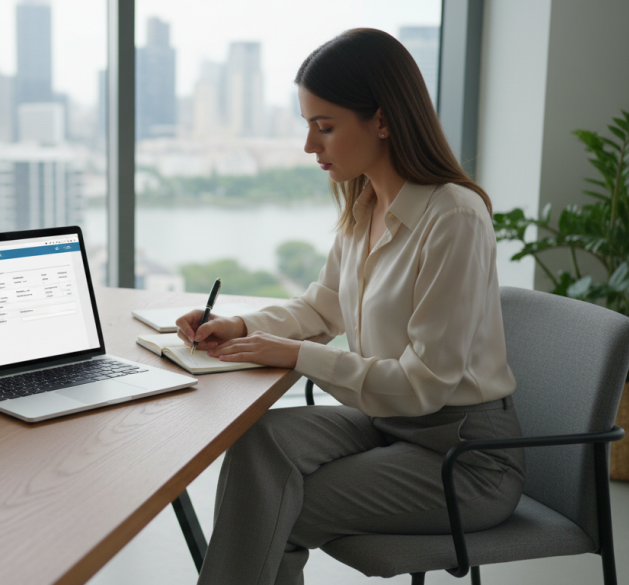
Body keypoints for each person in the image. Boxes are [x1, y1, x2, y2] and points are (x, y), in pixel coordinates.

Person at [175, 28, 526, 585]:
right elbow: (321, 308)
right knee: (260, 441)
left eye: (325, 127)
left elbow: (425, 384)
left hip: (462, 457)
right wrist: (238, 325)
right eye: (308, 127)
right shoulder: (366, 205)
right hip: (386, 425)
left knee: (274, 507)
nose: (311, 147)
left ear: (382, 121)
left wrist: (296, 356)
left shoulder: (453, 217)